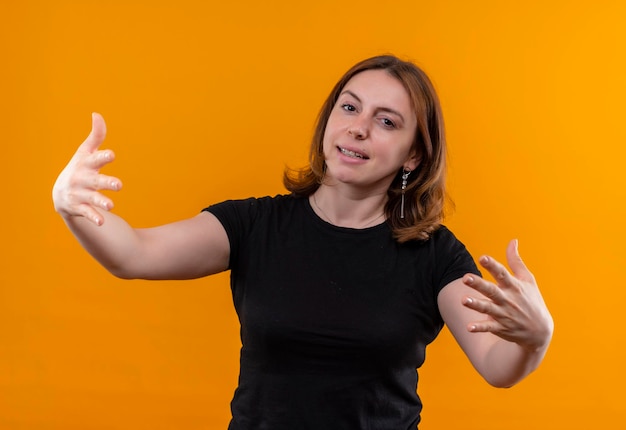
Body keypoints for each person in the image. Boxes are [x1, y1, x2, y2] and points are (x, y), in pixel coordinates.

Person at [52, 55, 553, 429]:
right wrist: (74, 205)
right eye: (349, 107)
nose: (357, 128)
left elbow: (496, 366)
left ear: (414, 156)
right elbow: (133, 254)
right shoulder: (254, 224)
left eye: (386, 121)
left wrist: (534, 339)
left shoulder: (434, 253)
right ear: (329, 120)